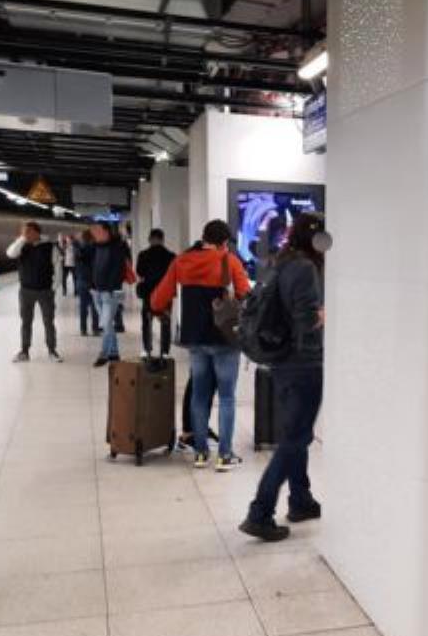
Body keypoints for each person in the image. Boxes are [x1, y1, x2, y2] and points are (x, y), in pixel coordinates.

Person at [240, 213, 327, 542]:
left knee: (296, 433)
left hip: (282, 362)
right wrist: (323, 317)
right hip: (302, 363)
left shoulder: (282, 261)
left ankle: (301, 499)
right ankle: (260, 512)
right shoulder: (305, 268)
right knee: (295, 439)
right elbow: (305, 321)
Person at [151, 219, 250, 471]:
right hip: (225, 339)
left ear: (204, 237)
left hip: (195, 338)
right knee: (226, 397)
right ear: (224, 242)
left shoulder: (182, 261)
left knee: (199, 395)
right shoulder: (229, 261)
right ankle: (224, 455)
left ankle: (201, 453)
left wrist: (161, 310)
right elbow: (244, 294)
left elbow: (158, 299)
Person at [7, 221, 61, 362]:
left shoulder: (50, 247)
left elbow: (57, 266)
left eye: (28, 232)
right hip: (26, 291)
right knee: (26, 322)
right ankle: (24, 351)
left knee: (48, 322)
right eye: (23, 232)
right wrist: (22, 239)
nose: (25, 234)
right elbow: (10, 254)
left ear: (36, 232)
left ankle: (52, 351)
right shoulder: (22, 245)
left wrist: (54, 287)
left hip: (45, 291)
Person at [89, 223, 132, 367]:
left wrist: (109, 288)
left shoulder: (117, 247)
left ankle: (104, 354)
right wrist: (92, 286)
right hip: (97, 291)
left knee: (105, 323)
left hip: (112, 292)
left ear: (106, 232)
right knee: (107, 324)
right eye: (93, 231)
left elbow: (119, 271)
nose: (94, 234)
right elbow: (93, 267)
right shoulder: (96, 247)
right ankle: (114, 352)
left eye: (97, 231)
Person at [136, 229, 176, 359]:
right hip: (165, 293)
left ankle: (147, 349)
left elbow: (140, 272)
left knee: (147, 322)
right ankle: (165, 351)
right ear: (162, 239)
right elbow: (174, 274)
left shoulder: (143, 255)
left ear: (150, 239)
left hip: (149, 292)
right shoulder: (171, 256)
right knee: (165, 322)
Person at [75, 229, 100, 336]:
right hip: (94, 280)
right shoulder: (96, 248)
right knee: (95, 306)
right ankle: (95, 328)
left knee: (83, 306)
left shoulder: (79, 249)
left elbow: (77, 264)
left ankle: (83, 329)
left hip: (82, 279)